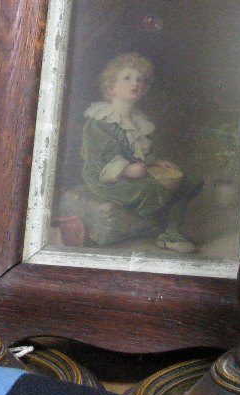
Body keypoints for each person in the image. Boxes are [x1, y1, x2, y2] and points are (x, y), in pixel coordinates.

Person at [78, 52, 201, 253]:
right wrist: (126, 170)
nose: (135, 83)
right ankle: (164, 233)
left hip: (133, 170)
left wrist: (157, 162)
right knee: (154, 189)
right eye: (127, 78)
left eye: (140, 80)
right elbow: (98, 160)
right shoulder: (100, 120)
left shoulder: (136, 119)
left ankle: (171, 233)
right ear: (111, 87)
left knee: (188, 181)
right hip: (105, 177)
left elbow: (140, 151)